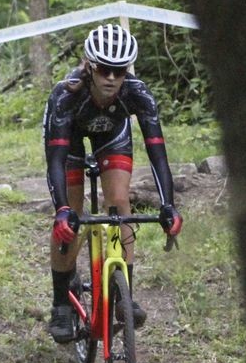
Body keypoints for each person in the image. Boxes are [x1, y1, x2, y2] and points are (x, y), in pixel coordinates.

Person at [43, 23, 183, 344]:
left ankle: (123, 292)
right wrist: (62, 209)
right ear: (90, 67)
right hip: (70, 141)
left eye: (118, 71)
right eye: (104, 69)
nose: (111, 78)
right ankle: (61, 303)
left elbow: (157, 153)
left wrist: (168, 206)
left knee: (119, 204)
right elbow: (56, 160)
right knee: (72, 216)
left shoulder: (138, 94)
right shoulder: (66, 95)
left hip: (112, 135)